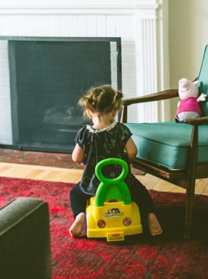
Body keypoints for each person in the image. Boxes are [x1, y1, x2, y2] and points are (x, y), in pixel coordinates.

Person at [68, 85, 163, 238]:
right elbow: (132, 151)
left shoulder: (84, 133)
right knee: (142, 194)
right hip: (122, 180)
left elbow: (76, 158)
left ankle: (79, 216)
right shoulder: (121, 129)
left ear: (89, 112)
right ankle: (151, 217)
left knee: (75, 194)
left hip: (93, 183)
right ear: (114, 110)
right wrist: (124, 161)